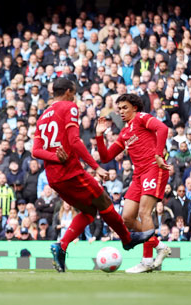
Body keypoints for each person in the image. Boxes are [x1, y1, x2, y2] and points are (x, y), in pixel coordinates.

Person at [31, 78, 152, 272]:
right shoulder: (69, 107)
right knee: (103, 200)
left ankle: (61, 246)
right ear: (70, 91)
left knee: (88, 213)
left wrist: (53, 156)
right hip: (70, 172)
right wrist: (95, 166)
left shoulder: (43, 115)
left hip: (54, 178)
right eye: (75, 92)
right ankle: (127, 240)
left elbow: (35, 151)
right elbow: (75, 141)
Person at [96, 93, 173, 273]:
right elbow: (106, 156)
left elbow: (162, 128)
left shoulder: (141, 118)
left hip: (154, 168)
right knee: (127, 218)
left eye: (125, 108)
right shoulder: (124, 133)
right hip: (138, 175)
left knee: (144, 212)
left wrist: (158, 154)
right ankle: (159, 246)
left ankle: (147, 262)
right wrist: (99, 135)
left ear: (135, 108)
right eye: (119, 109)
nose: (121, 112)